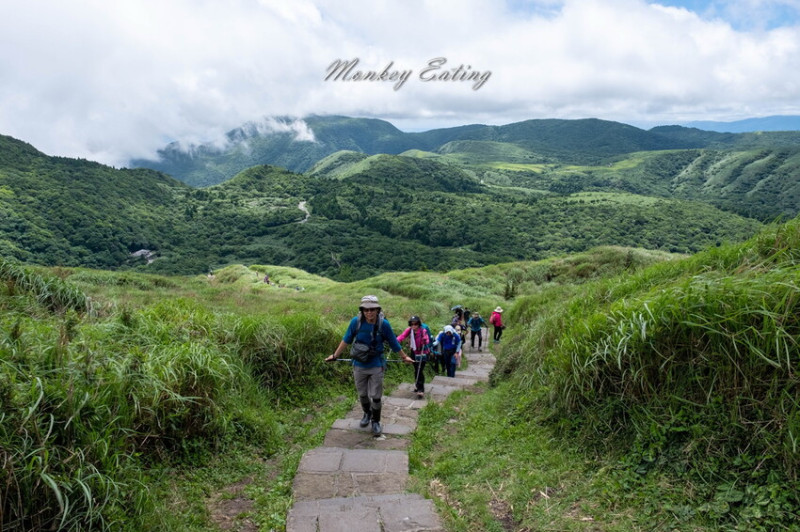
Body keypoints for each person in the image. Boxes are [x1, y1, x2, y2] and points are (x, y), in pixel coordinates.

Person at [326, 295, 413, 436]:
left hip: (376, 364)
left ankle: (376, 421)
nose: (369, 313)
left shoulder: (383, 324)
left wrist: (404, 356)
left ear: (378, 310)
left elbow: (393, 342)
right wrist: (335, 356)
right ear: (362, 310)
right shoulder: (356, 322)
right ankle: (367, 413)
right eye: (366, 310)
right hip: (359, 364)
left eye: (372, 309)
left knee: (376, 396)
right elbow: (346, 340)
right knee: (362, 394)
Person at [396, 315, 431, 399]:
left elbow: (427, 340)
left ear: (418, 324)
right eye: (412, 324)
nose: (414, 326)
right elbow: (402, 336)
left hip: (422, 352)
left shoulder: (423, 330)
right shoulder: (409, 330)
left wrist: (425, 340)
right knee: (416, 369)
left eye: (415, 324)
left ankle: (420, 389)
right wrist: (396, 341)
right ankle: (417, 385)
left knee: (420, 369)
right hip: (414, 352)